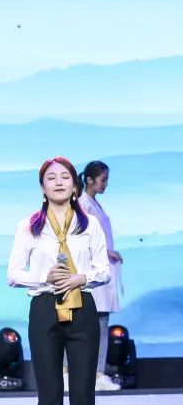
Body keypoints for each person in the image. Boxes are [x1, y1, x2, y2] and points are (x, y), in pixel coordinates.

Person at [7, 156, 110, 405]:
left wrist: (81, 276)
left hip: (82, 308)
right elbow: (13, 274)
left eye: (64, 176)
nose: (59, 182)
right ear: (42, 187)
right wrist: (43, 277)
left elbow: (103, 269)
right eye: (51, 178)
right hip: (44, 308)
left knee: (82, 395)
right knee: (49, 396)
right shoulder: (29, 226)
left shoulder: (89, 224)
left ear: (74, 185)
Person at [77, 161, 122, 392]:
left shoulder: (93, 203)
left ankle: (98, 373)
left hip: (101, 273)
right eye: (103, 179)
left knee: (102, 324)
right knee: (93, 325)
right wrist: (107, 252)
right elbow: (82, 239)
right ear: (90, 180)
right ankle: (90, 373)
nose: (105, 184)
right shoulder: (83, 205)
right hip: (92, 273)